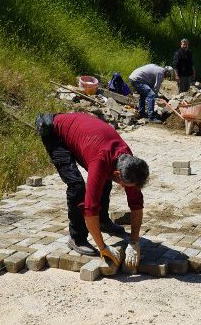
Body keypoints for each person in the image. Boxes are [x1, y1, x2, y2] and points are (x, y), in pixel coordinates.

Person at [35, 112, 149, 270]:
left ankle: (103, 222)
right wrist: (103, 248)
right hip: (54, 131)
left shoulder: (127, 161)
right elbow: (89, 210)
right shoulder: (100, 162)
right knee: (77, 186)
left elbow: (136, 203)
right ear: (118, 174)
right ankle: (77, 238)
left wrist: (134, 241)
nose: (125, 189)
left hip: (85, 136)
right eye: (124, 185)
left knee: (104, 181)